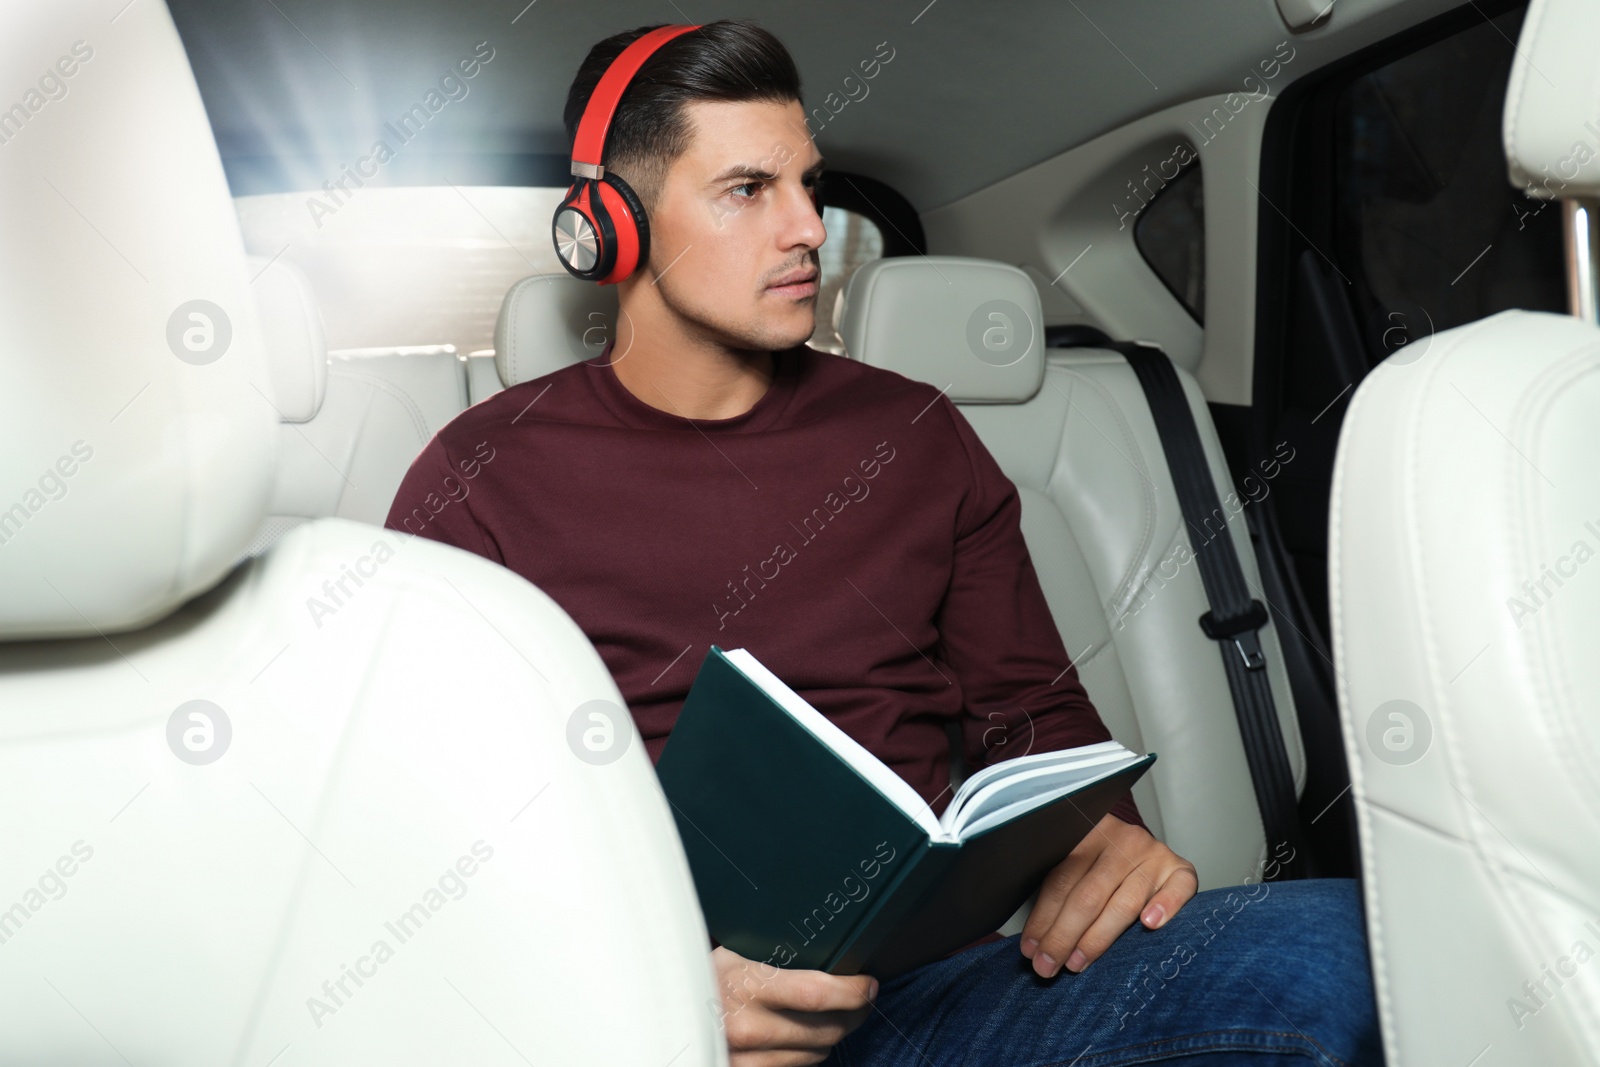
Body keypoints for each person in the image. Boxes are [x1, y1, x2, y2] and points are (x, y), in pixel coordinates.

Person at [384, 19, 1384, 1067]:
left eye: (809, 185)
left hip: (927, 995)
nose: (807, 227)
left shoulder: (912, 433)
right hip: (642, 1008)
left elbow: (1035, 717)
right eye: (745, 190)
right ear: (611, 227)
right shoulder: (477, 476)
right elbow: (425, 823)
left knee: (1345, 945)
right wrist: (638, 990)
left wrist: (1100, 843)